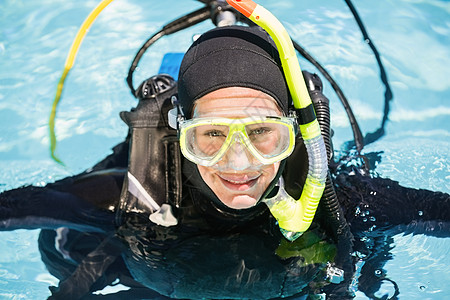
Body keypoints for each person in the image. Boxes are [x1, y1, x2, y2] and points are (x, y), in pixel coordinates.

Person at [1, 25, 449, 300]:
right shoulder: (131, 197)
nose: (238, 164)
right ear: (182, 135)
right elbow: (22, 206)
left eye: (261, 133)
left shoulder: (343, 201)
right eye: (211, 135)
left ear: (292, 134)